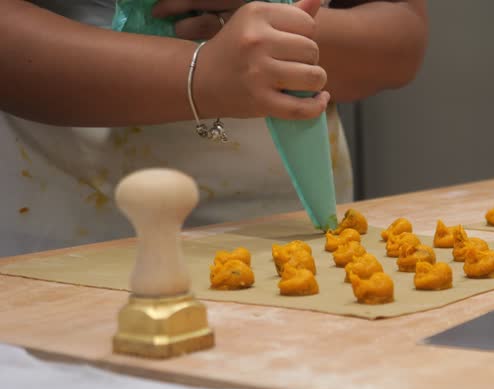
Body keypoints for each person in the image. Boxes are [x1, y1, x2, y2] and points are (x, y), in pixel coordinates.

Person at [0, 0, 428, 256]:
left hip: (285, 221)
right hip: (68, 218)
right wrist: (197, 75)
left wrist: (270, 24)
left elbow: (400, 40)